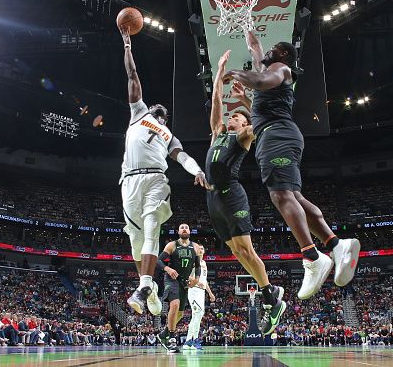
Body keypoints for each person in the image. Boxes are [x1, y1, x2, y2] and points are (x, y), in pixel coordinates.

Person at [222, 30, 360, 299]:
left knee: (281, 195)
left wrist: (237, 73)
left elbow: (261, 80)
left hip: (277, 135)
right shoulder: (269, 71)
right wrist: (246, 21)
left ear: (284, 54)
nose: (267, 52)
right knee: (294, 196)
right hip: (274, 133)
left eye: (274, 48)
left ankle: (312, 256)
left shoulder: (281, 69)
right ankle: (336, 244)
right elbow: (255, 49)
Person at [118, 27, 210, 316]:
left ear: (166, 118)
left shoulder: (169, 135)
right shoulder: (139, 113)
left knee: (150, 229)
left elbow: (182, 157)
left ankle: (144, 286)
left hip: (156, 179)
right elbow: (133, 77)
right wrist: (127, 46)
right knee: (135, 243)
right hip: (128, 180)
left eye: (163, 113)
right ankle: (151, 287)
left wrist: (197, 170)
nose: (158, 112)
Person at [205, 50, 285, 335]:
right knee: (237, 253)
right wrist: (219, 71)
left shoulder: (243, 136)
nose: (232, 118)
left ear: (242, 124)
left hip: (232, 194)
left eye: (236, 117)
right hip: (213, 199)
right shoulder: (217, 133)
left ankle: (270, 299)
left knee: (247, 250)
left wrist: (243, 101)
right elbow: (215, 101)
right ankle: (270, 293)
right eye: (232, 117)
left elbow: (260, 120)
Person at [156, 223, 202, 353]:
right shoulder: (172, 245)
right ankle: (171, 339)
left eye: (186, 227)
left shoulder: (196, 247)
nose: (184, 229)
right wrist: (168, 268)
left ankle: (163, 334)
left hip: (185, 282)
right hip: (172, 279)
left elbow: (197, 266)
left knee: (180, 314)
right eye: (181, 227)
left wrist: (197, 279)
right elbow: (158, 261)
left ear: (190, 231)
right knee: (174, 305)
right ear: (178, 231)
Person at [183, 244, 215, 350]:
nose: (200, 250)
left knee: (196, 315)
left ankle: (188, 341)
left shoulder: (204, 263)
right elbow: (186, 276)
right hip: (193, 290)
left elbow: (204, 281)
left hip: (201, 292)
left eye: (202, 249)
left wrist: (210, 293)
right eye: (199, 249)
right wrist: (196, 283)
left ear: (204, 251)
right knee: (199, 313)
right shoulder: (192, 261)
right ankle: (195, 340)